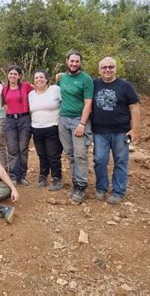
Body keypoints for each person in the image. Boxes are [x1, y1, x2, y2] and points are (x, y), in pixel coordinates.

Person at [92, 57, 140, 204]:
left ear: (115, 69)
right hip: (99, 132)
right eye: (104, 67)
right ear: (99, 70)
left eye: (111, 67)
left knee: (120, 161)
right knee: (100, 160)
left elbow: (134, 106)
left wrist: (135, 129)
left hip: (121, 132)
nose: (108, 70)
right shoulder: (93, 84)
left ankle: (118, 191)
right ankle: (101, 188)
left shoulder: (125, 86)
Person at [57, 50, 94, 203]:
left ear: (80, 62)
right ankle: (75, 183)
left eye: (77, 61)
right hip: (63, 120)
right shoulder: (62, 78)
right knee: (70, 154)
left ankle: (82, 186)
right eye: (71, 61)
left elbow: (88, 103)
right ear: (67, 61)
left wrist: (82, 124)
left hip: (79, 120)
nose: (74, 64)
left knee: (80, 154)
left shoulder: (86, 79)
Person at [29, 70, 64, 189]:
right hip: (36, 128)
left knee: (53, 154)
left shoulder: (55, 89)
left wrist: (62, 76)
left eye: (41, 77)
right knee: (41, 154)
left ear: (46, 79)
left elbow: (66, 96)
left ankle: (57, 178)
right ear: (33, 81)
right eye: (36, 78)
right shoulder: (31, 94)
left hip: (52, 127)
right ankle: (43, 176)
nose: (39, 79)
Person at [2, 65, 33, 186]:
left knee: (23, 148)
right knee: (12, 149)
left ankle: (22, 176)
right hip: (10, 120)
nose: (12, 76)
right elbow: (4, 103)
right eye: (10, 74)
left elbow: (40, 89)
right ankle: (14, 176)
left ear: (19, 76)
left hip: (24, 119)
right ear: (8, 75)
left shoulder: (26, 86)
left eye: (15, 74)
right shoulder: (4, 89)